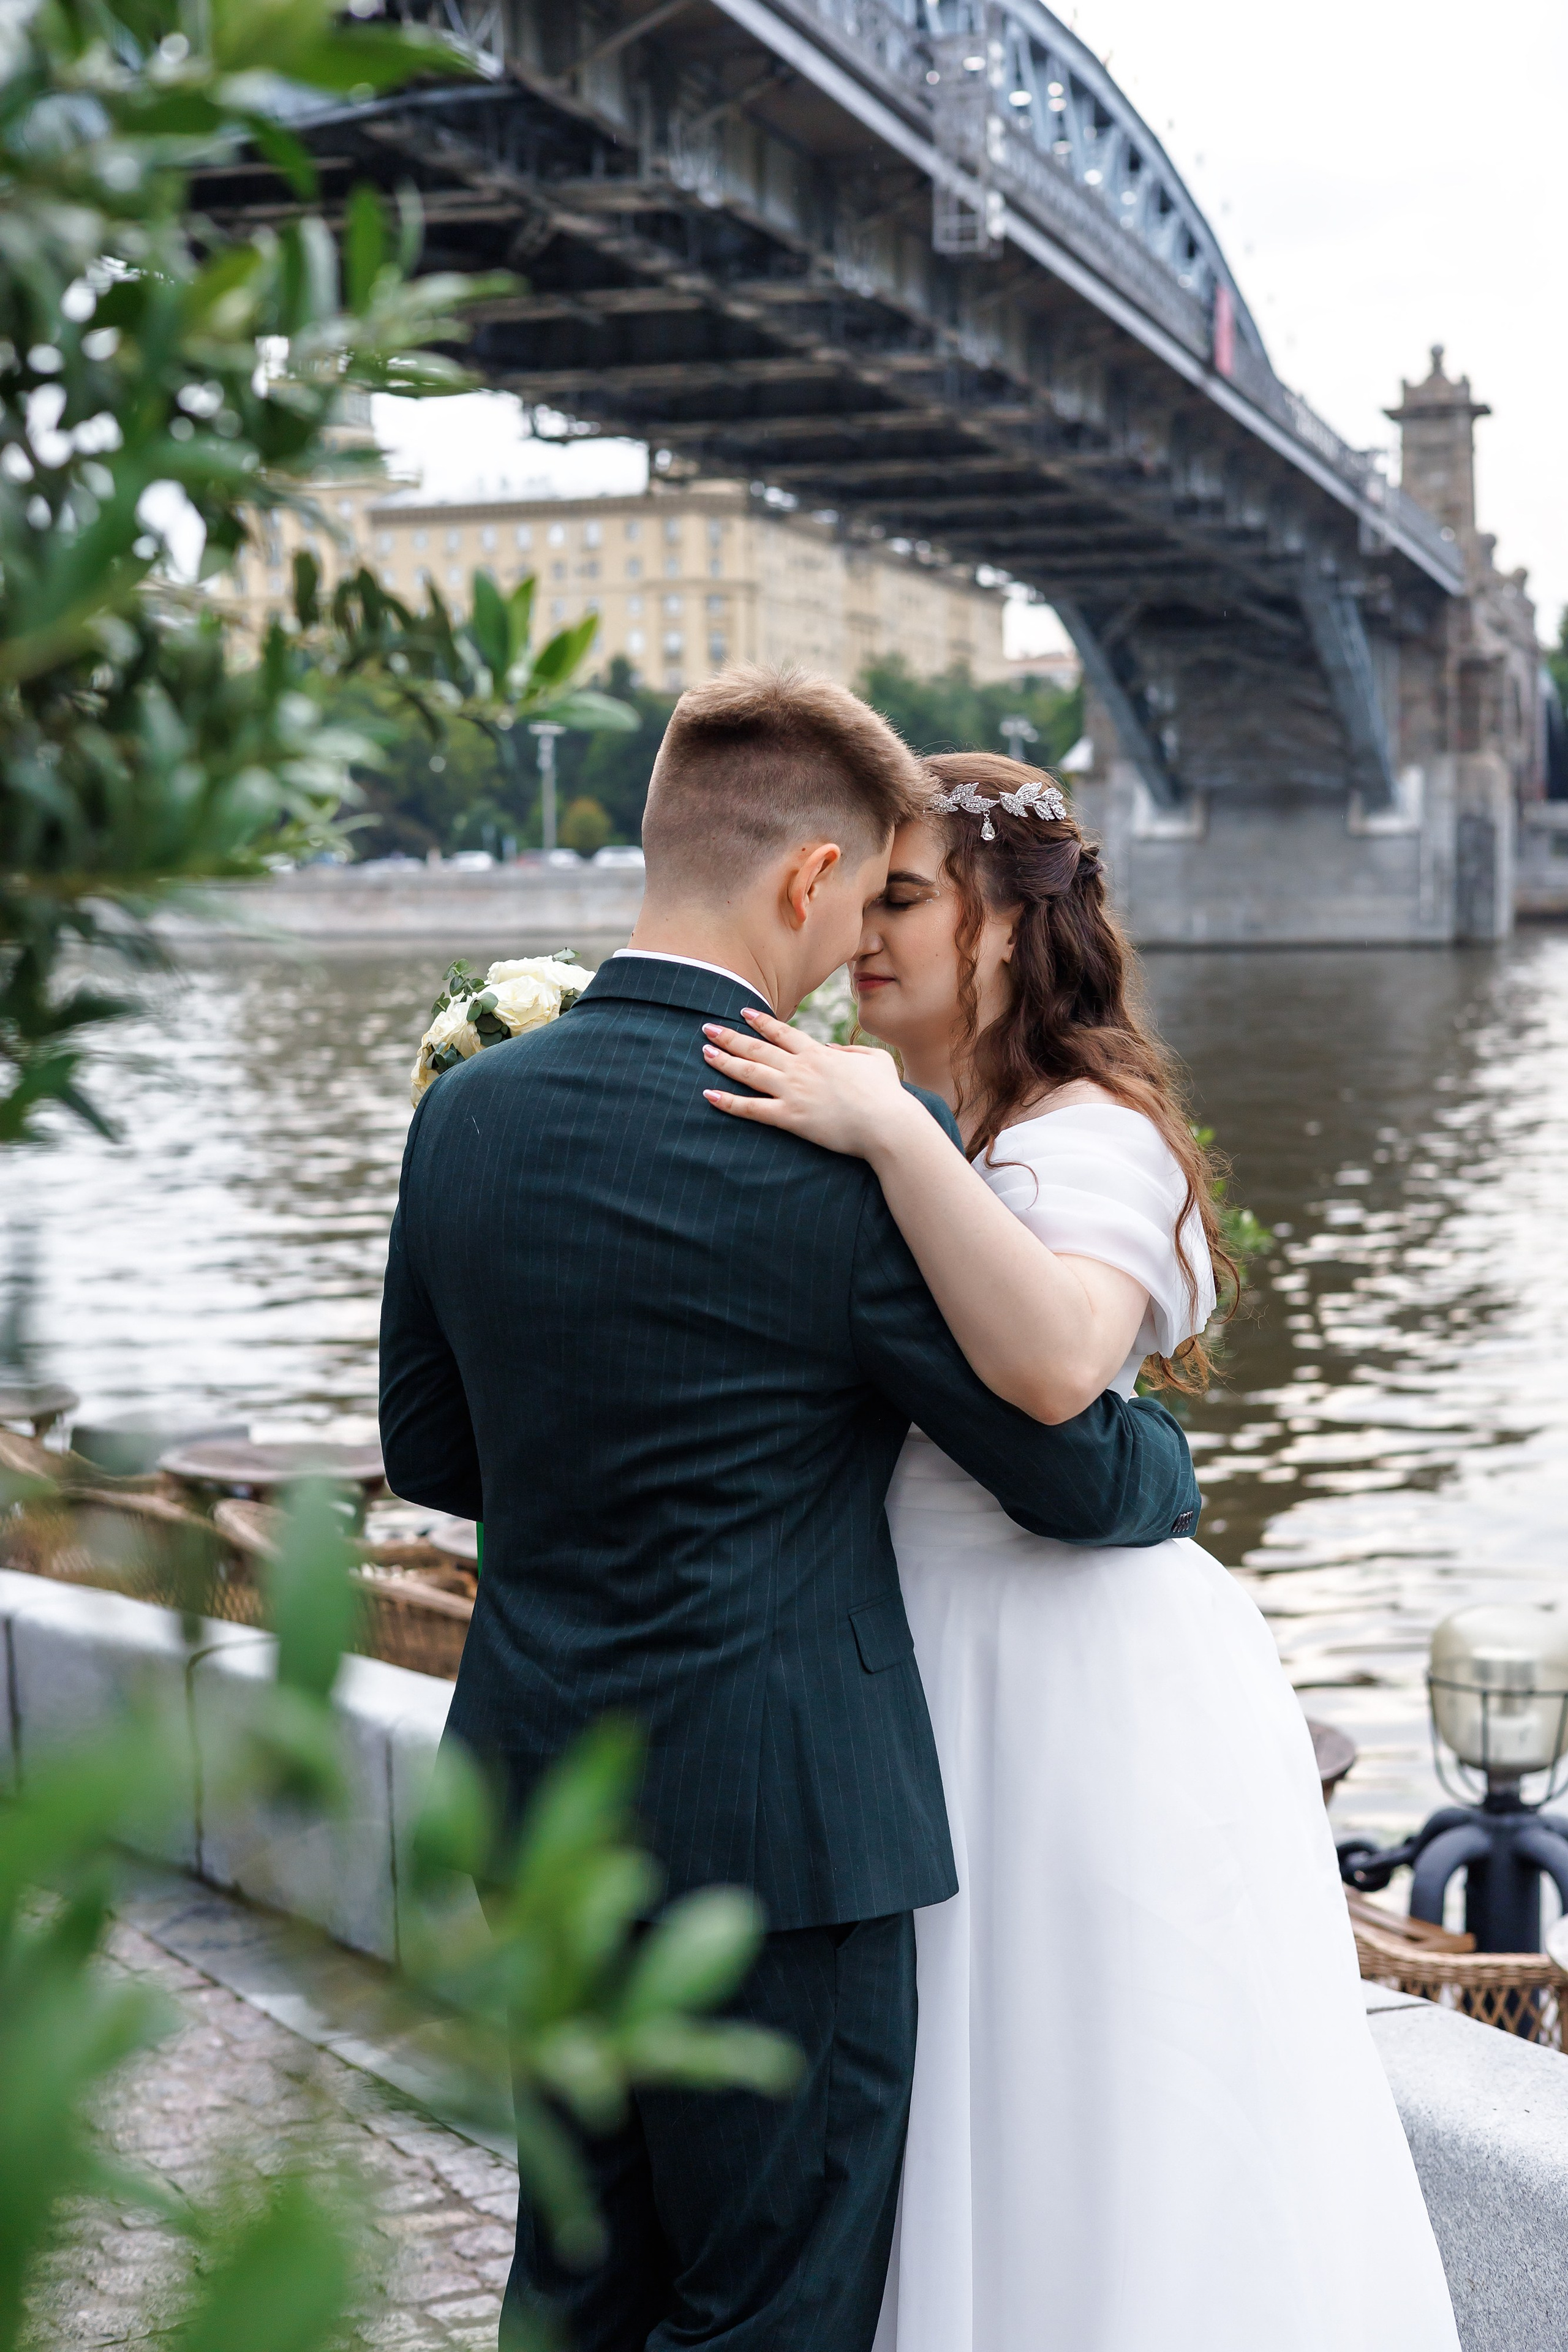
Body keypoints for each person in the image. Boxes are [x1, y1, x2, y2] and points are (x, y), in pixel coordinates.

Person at [379, 673, 1200, 2352]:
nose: (853, 958)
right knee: (771, 2306)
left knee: (579, 2280)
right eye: (862, 901)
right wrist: (1167, 1472)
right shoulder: (833, 1155)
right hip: (782, 1841)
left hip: (539, 1808)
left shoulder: (467, 1111)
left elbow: (435, 1458)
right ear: (808, 878)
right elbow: (1056, 1464)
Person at [700, 751, 1461, 2352]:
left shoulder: (1083, 1131)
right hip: (942, 1659)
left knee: (1093, 2096)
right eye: (863, 901)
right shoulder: (939, 1122)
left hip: (1076, 1682)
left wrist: (892, 1140)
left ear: (1001, 929)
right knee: (975, 2095)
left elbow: (1052, 1370)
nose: (864, 937)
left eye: (905, 900)